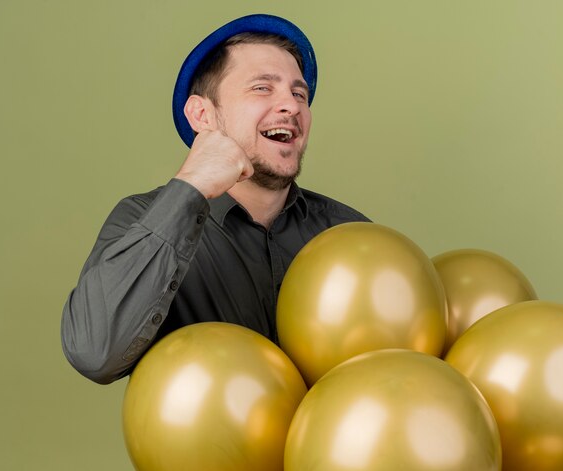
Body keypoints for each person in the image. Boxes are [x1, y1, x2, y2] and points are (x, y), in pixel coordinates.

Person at [61, 14, 369, 385]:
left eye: (299, 93)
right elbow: (94, 353)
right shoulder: (141, 220)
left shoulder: (352, 234)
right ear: (202, 115)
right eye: (262, 88)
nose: (291, 105)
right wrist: (190, 187)